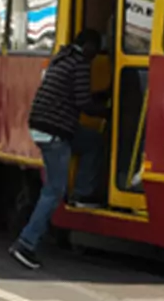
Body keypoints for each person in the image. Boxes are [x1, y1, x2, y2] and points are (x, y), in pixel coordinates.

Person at [9, 29, 108, 270]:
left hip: (43, 126)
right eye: (96, 49)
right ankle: (26, 244)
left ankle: (83, 195)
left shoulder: (61, 59)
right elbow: (83, 103)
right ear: (87, 47)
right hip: (55, 132)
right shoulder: (81, 64)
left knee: (93, 142)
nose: (96, 55)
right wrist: (109, 111)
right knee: (54, 190)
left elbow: (73, 96)